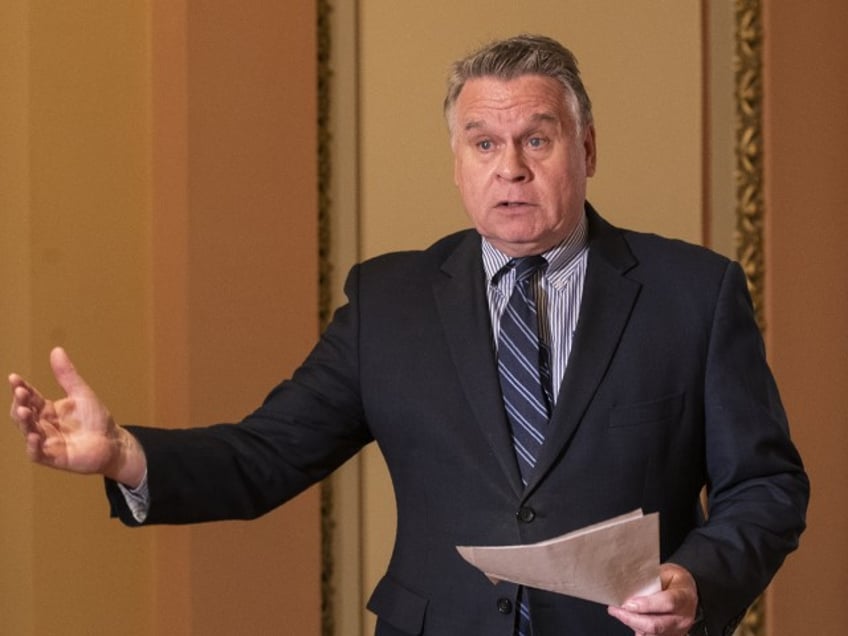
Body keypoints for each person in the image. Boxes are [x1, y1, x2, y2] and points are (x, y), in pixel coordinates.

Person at [8, 34, 808, 636]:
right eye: (484, 144)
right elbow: (264, 456)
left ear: (586, 148)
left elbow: (766, 488)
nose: (512, 168)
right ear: (456, 163)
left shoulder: (693, 293)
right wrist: (124, 456)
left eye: (538, 138)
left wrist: (695, 580)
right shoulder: (390, 302)